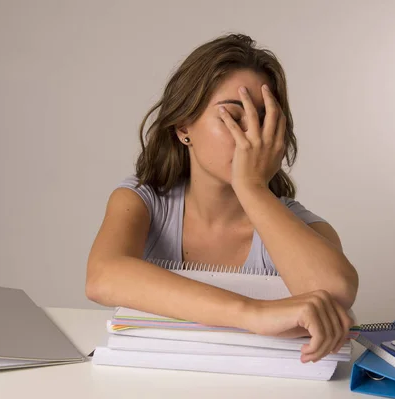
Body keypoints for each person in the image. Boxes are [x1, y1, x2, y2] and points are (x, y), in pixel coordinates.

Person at [86, 33, 359, 363]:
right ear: (183, 127)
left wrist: (252, 189)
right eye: (232, 116)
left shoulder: (296, 224)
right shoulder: (142, 201)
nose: (250, 134)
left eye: (263, 118)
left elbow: (336, 292)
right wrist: (253, 313)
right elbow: (103, 277)